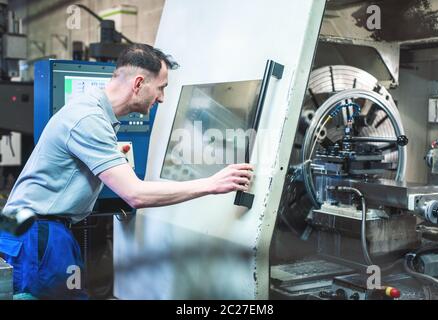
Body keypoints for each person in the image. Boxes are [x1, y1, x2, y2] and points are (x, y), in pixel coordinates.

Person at [0, 44, 253, 299]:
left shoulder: (93, 112)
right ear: (139, 83)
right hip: (38, 235)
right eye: (162, 87)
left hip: (37, 231)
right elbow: (136, 194)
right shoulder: (89, 119)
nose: (162, 98)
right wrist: (211, 183)